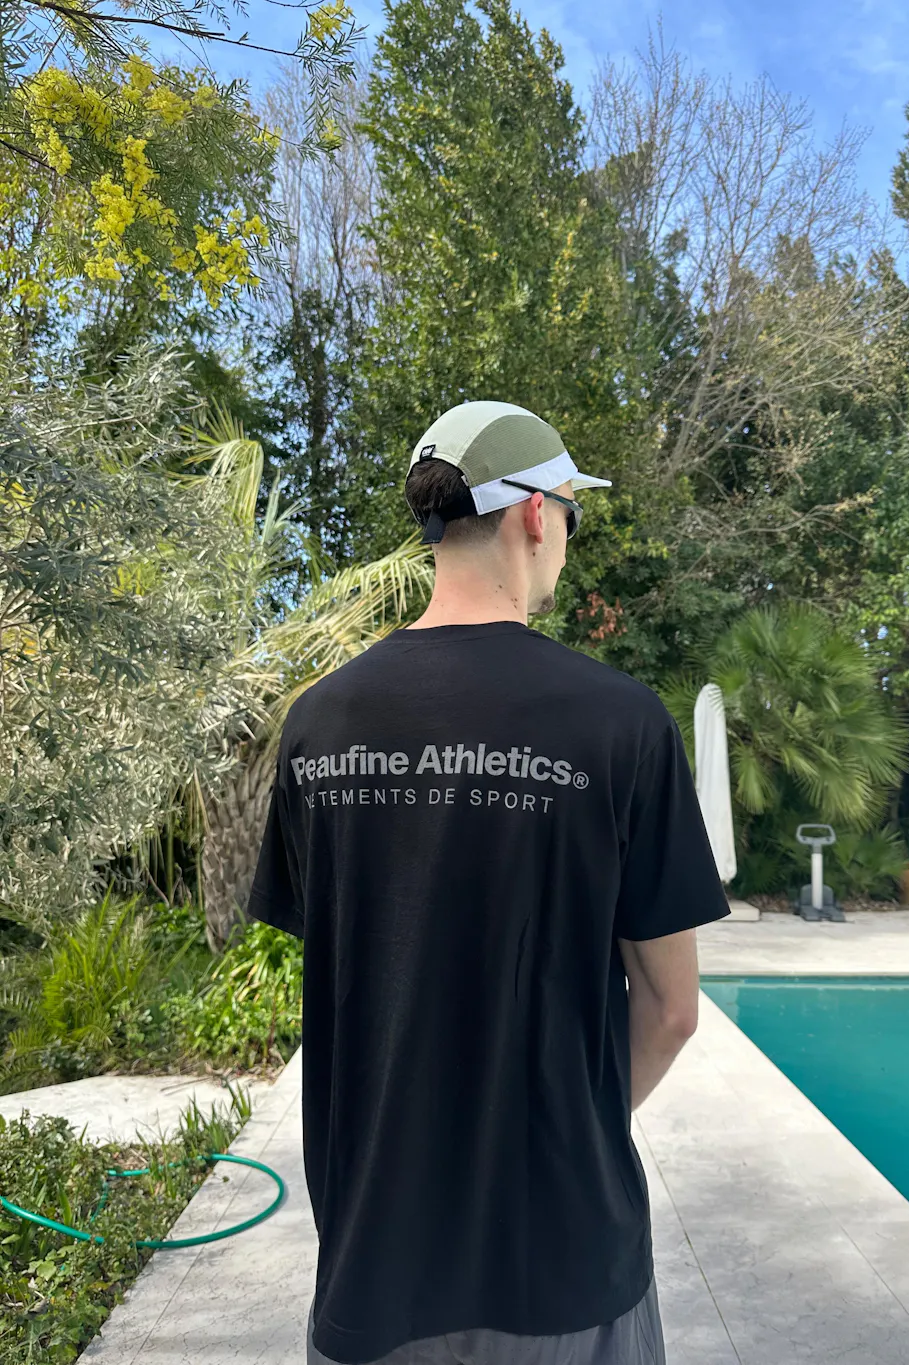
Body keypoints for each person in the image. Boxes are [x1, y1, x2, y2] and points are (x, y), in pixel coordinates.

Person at [246, 400, 731, 1365]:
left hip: (373, 1263)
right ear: (536, 514)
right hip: (565, 1257)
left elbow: (351, 972)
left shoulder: (319, 724)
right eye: (572, 517)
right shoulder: (622, 724)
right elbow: (672, 1011)